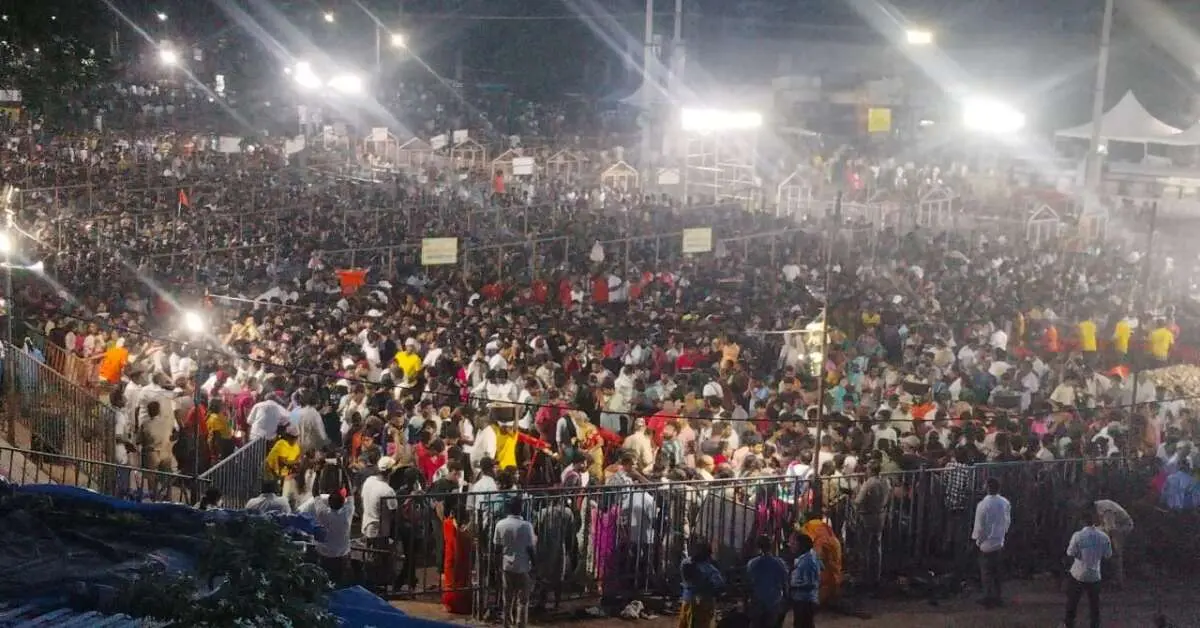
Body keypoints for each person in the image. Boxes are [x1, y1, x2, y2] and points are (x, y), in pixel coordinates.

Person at [1063, 507, 1112, 628]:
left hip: (1078, 574)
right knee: (1094, 606)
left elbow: (1070, 552)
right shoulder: (1104, 537)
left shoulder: (1078, 536)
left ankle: (1069, 624)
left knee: (1072, 603)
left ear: (1082, 522)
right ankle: (1094, 625)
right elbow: (1108, 555)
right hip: (1095, 575)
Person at [493, 496, 536, 628]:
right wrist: (535, 564)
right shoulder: (526, 526)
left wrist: (497, 566)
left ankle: (507, 623)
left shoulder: (500, 525)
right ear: (521, 509)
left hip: (507, 566)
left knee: (507, 599)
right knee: (522, 600)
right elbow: (530, 548)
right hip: (523, 567)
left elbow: (497, 549)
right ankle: (520, 624)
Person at [299, 491, 355, 584]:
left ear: (328, 502)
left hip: (324, 556)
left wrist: (317, 476)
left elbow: (315, 493)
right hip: (342, 556)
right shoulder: (347, 513)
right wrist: (346, 476)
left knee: (324, 582)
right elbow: (350, 494)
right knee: (340, 583)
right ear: (343, 503)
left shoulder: (323, 513)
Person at [972, 477, 1011, 608]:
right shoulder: (1005, 502)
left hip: (986, 544)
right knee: (997, 572)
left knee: (986, 572)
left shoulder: (982, 505)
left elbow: (980, 527)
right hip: (999, 541)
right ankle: (998, 596)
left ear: (987, 488)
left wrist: (978, 541)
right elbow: (1007, 521)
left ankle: (987, 597)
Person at [679, 538, 724, 628]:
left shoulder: (685, 563)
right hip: (702, 602)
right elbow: (719, 585)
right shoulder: (710, 568)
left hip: (687, 600)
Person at [745, 535, 788, 628]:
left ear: (757, 546)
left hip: (757, 602)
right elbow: (785, 582)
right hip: (774, 601)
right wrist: (786, 600)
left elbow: (748, 582)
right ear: (771, 546)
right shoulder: (780, 563)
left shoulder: (752, 563)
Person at [1093, 498, 1133, 589]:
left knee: (1116, 554)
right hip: (1114, 526)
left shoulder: (1106, 510)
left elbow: (1110, 530)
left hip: (1123, 526)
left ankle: (1118, 580)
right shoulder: (1099, 506)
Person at [788, 532, 822, 628]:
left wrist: (792, 586)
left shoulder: (808, 560)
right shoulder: (809, 556)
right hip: (805, 599)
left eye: (794, 544)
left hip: (804, 600)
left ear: (801, 545)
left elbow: (810, 583)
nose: (791, 546)